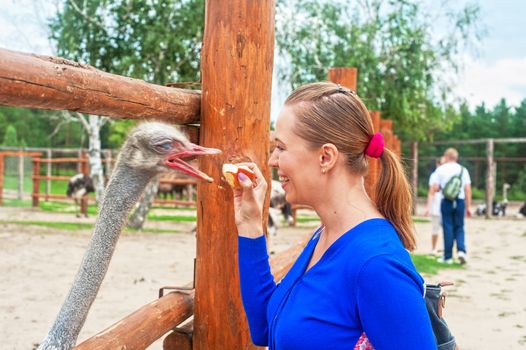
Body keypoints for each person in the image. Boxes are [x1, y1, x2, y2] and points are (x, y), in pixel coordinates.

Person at [229, 82, 436, 349]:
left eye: (281, 147)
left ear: (326, 157)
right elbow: (265, 328)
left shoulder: (377, 265)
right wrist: (249, 226)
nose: (272, 160)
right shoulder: (326, 235)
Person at [431, 148, 472, 264]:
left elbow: (435, 188)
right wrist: (468, 206)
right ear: (456, 157)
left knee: (447, 227)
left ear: (446, 157)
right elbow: (467, 189)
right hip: (460, 201)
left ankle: (448, 256)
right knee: (459, 227)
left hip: (447, 201)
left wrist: (440, 188)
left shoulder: (441, 169)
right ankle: (461, 251)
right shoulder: (463, 170)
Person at [425, 156, 445, 256]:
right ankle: (434, 248)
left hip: (443, 206)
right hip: (437, 206)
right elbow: (431, 192)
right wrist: (428, 207)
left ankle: (442, 248)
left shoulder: (440, 175)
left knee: (443, 228)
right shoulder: (435, 175)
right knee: (436, 228)